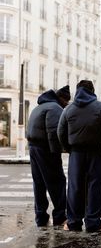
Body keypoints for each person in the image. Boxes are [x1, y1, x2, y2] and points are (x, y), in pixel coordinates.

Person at [57, 80, 101, 233]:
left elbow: (60, 132)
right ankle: (93, 223)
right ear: (92, 90)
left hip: (76, 154)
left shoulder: (69, 109)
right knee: (95, 187)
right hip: (96, 152)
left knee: (74, 188)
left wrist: (69, 149)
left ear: (77, 90)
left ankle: (73, 222)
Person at [27, 85, 71, 227]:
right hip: (46, 149)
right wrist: (56, 152)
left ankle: (41, 217)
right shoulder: (55, 108)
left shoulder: (39, 107)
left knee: (39, 183)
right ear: (61, 99)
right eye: (66, 102)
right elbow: (53, 133)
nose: (66, 105)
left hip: (33, 147)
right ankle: (59, 217)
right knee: (57, 182)